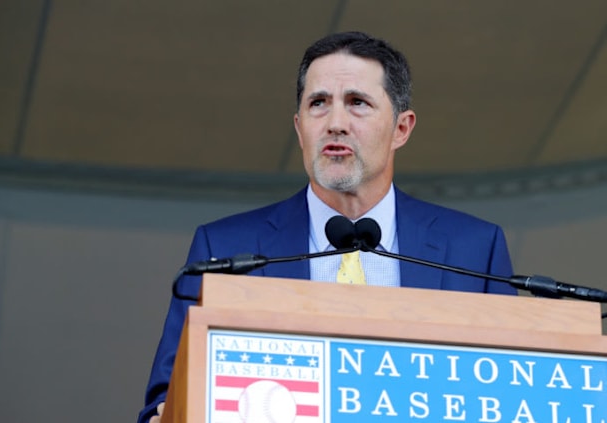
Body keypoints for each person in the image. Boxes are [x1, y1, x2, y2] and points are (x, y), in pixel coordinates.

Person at [138, 31, 516, 423]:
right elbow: (165, 402)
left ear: (401, 129)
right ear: (300, 127)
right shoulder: (224, 249)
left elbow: (510, 395)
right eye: (319, 103)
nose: (336, 123)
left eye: (357, 103)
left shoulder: (475, 249)